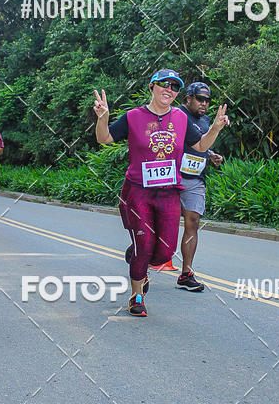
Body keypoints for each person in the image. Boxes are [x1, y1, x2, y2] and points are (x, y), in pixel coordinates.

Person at [93, 69, 229, 318]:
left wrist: (216, 128)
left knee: (165, 252)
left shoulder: (180, 118)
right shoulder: (134, 116)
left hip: (168, 192)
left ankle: (137, 255)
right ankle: (137, 296)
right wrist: (103, 118)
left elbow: (200, 145)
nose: (169, 89)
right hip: (138, 191)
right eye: (163, 84)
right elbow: (105, 138)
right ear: (152, 87)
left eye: (174, 86)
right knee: (145, 244)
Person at [176, 83, 225, 291]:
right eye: (199, 99)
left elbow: (201, 143)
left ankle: (186, 274)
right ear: (188, 98)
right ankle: (142, 262)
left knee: (193, 222)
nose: (204, 103)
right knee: (163, 223)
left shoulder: (205, 121)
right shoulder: (176, 115)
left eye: (207, 100)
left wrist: (211, 154)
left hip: (195, 178)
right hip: (172, 177)